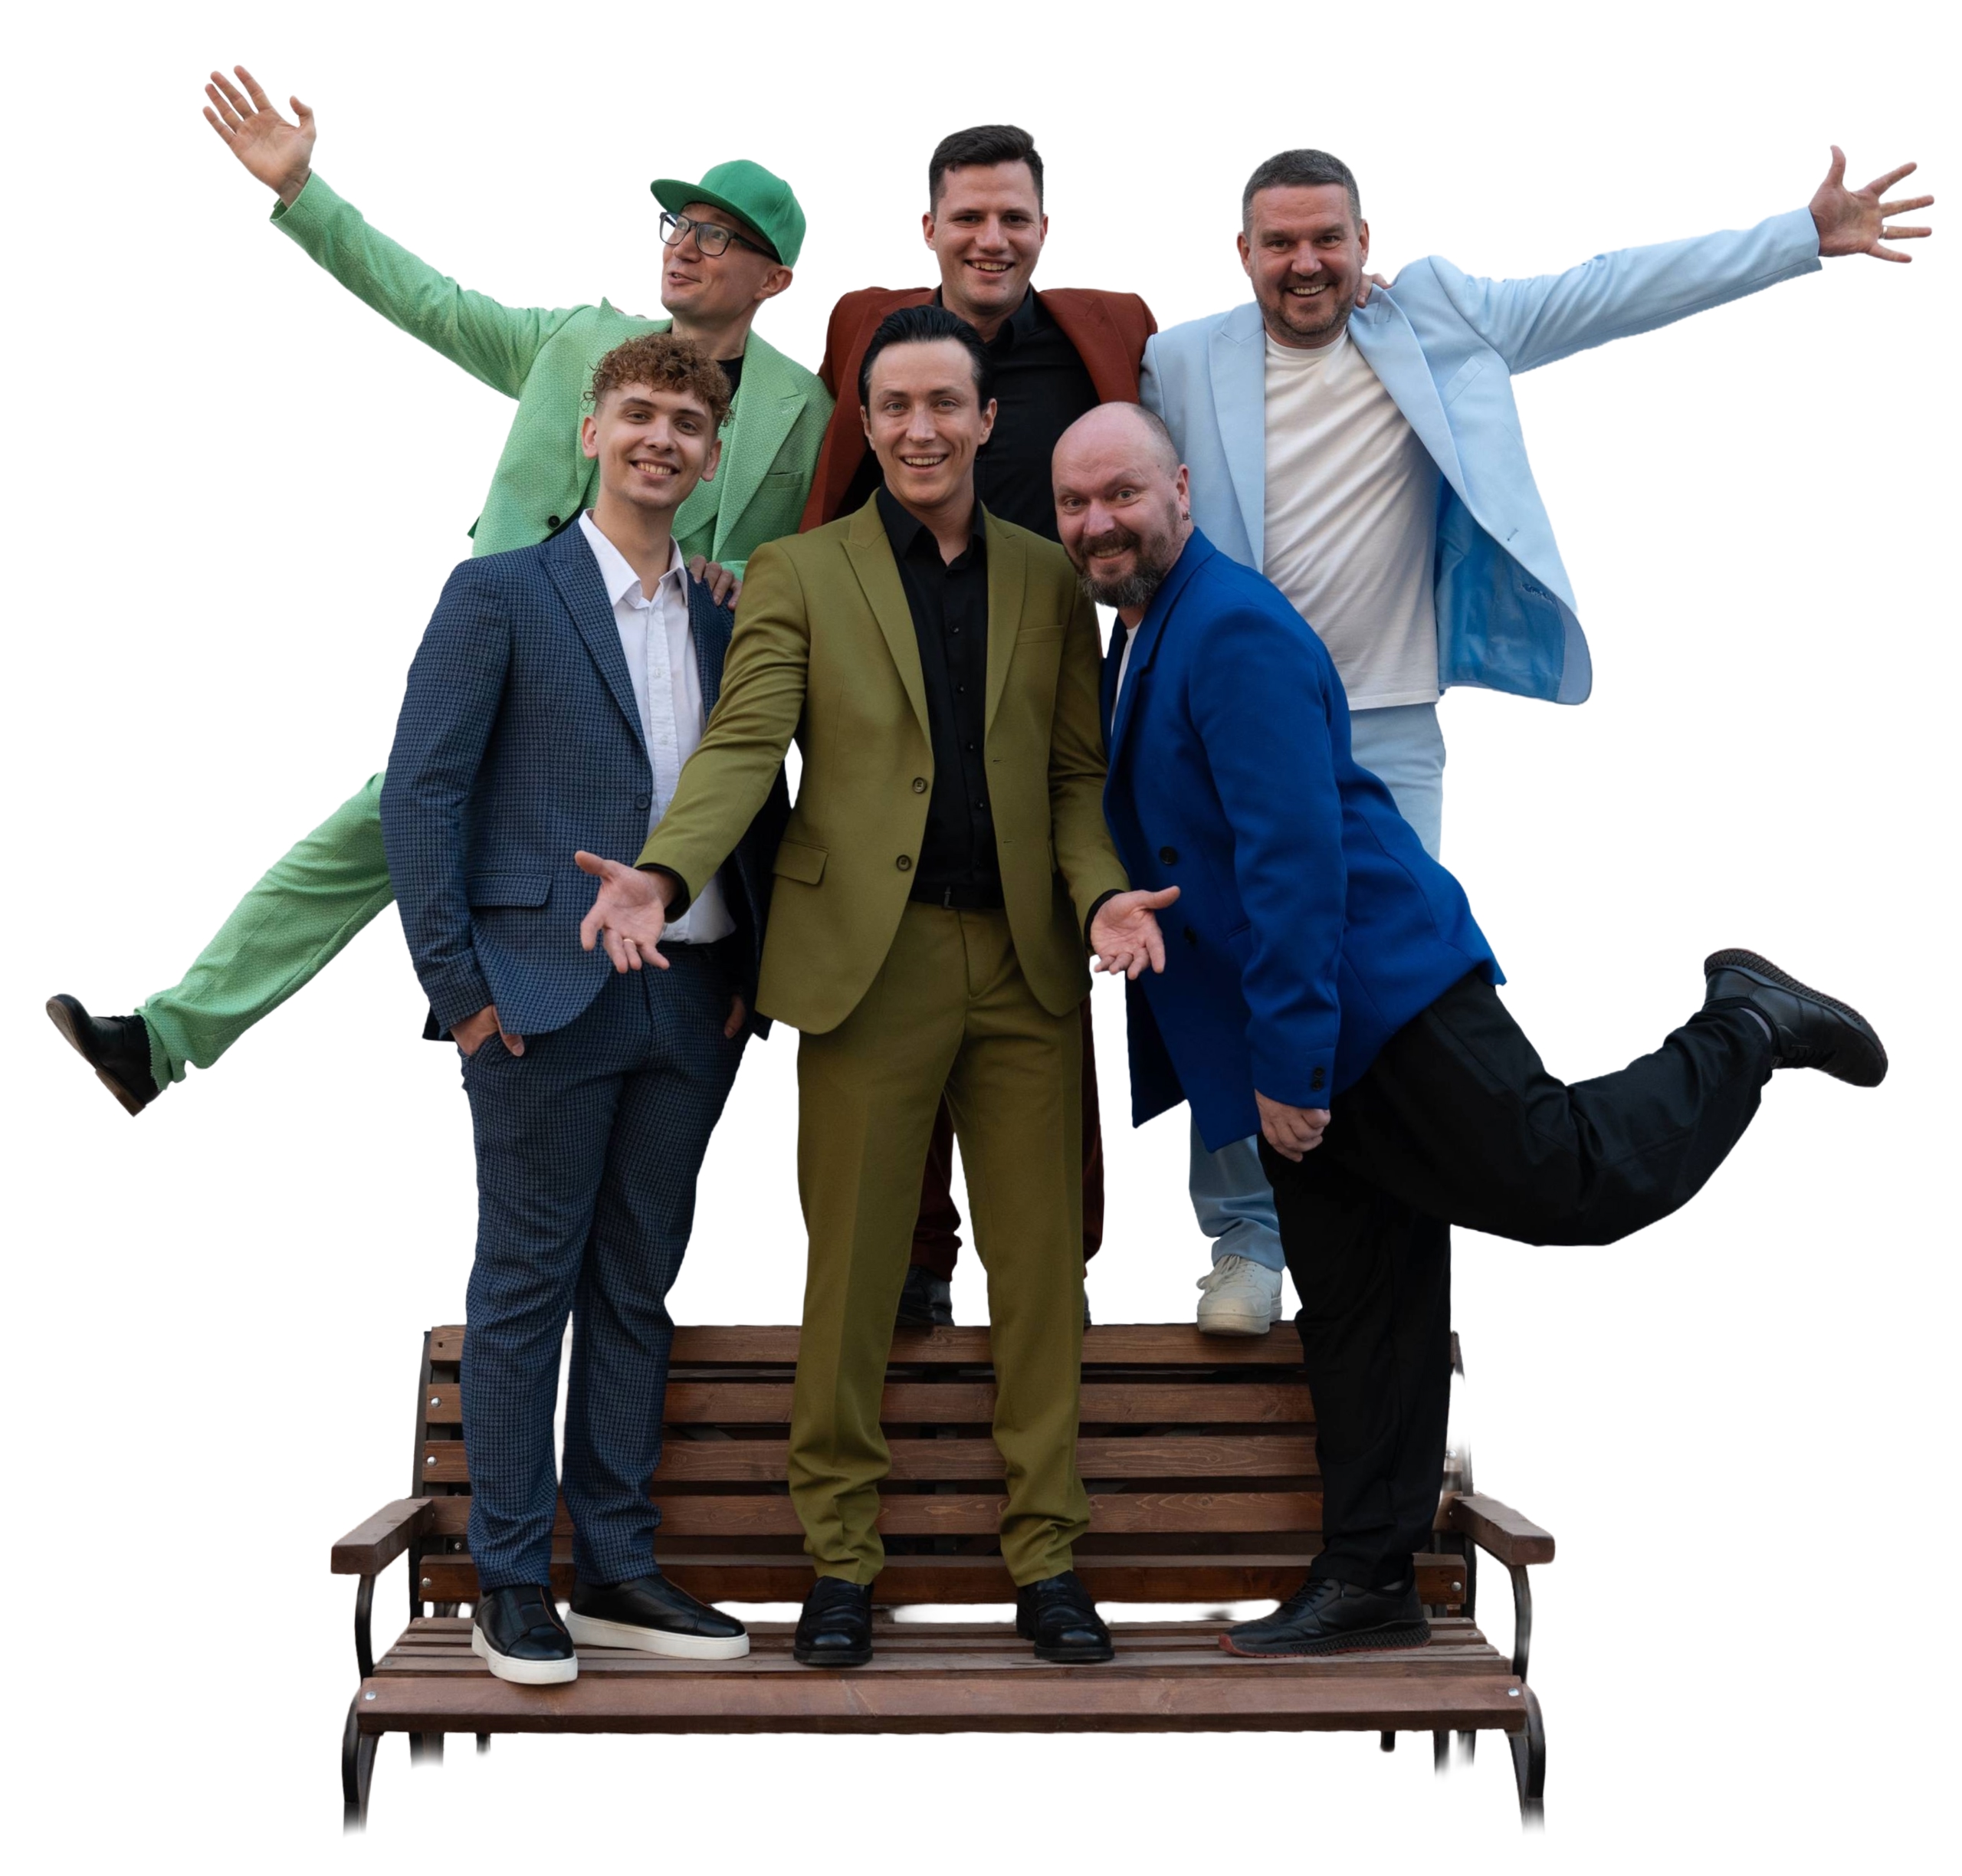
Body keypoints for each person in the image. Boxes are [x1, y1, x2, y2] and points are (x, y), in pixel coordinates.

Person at [1052, 401, 1885, 1655]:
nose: (1097, 522)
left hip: (1374, 1001)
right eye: (1074, 503)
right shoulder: (1141, 635)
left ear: (1180, 487)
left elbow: (1294, 862)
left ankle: (1744, 1026)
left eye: (1121, 493)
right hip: (1303, 1020)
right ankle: (1369, 1575)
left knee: (1564, 1175)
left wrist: (1292, 1065)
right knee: (1361, 1305)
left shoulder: (1228, 627)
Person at [1141, 144, 1934, 1336]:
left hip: (1382, 730)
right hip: (1234, 736)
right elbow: (1073, 464)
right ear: (1242, 252)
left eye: (1328, 239)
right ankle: (1248, 1240)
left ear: (1365, 243)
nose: (1306, 263)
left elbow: (1604, 290)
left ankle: (1369, 1264)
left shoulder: (1436, 319)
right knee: (1228, 968)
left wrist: (1799, 236)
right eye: (1281, 243)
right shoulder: (1180, 359)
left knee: (1382, 1003)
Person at [45, 64, 828, 1117]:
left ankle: (698, 1014)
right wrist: (302, 191)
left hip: (665, 696)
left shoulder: (803, 412)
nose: (684, 246)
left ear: (774, 279)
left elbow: (820, 560)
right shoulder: (573, 342)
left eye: (716, 235)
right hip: (526, 646)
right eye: (677, 226)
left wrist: (754, 573)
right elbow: (428, 303)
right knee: (390, 815)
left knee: (685, 842)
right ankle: (163, 1038)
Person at [576, 307, 1175, 1668]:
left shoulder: (1048, 577)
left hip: (1024, 964)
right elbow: (743, 751)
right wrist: (666, 874)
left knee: (1041, 1277)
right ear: (868, 421)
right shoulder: (799, 573)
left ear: (985, 422)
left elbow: (1074, 777)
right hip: (868, 965)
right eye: (893, 405)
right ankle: (841, 1561)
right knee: (851, 1277)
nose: (918, 428)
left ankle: (1049, 1560)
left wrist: (1100, 893)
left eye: (943, 404)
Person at [380, 333, 790, 1684]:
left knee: (636, 1285)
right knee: (526, 1287)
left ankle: (616, 1565)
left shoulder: (732, 614)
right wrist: (463, 995)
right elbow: (423, 794)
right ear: (591, 432)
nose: (663, 436)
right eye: (640, 413)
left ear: (713, 457)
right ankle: (512, 1581)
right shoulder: (499, 592)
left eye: (689, 421)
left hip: (695, 1001)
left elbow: (760, 790)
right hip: (541, 1001)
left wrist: (753, 977)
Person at [802, 123, 1159, 1327]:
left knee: (1045, 992)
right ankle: (915, 1263)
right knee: (886, 985)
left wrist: (1364, 303)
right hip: (889, 713)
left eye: (1013, 218)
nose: (991, 238)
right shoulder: (869, 329)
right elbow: (797, 455)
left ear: (1045, 229)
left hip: (1040, 714)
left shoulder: (1110, 332)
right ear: (930, 229)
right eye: (969, 218)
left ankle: (1051, 1268)